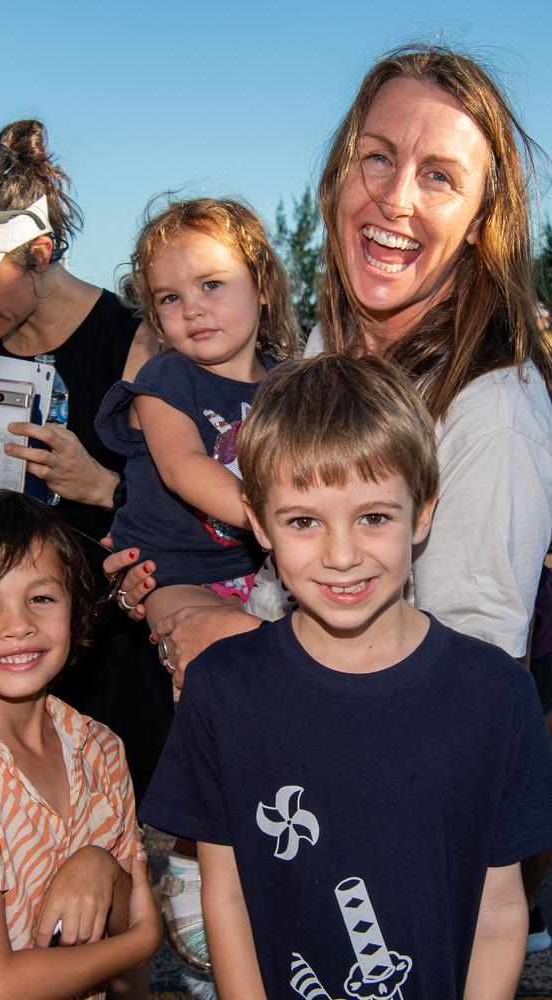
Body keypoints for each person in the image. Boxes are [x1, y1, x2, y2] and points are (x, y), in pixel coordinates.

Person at [111, 43, 552, 948]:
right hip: (276, 814)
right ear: (338, 172)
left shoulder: (491, 410)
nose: (395, 198)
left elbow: (466, 695)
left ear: (479, 221)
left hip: (374, 872)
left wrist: (239, 645)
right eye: (378, 157)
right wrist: (170, 599)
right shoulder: (319, 352)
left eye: (439, 176)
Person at [139, 353, 552, 999]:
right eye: (304, 520)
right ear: (257, 521)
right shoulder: (223, 690)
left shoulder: (496, 696)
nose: (341, 555)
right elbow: (227, 895)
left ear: (422, 514)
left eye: (374, 517)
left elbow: (500, 912)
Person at [0, 119, 173, 801]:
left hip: (117, 656)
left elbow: (192, 526)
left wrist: (103, 485)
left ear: (39, 251)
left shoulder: (136, 347)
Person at [0, 490, 161, 1000]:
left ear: (77, 609)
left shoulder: (101, 749)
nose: (18, 625)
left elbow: (128, 975)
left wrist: (103, 867)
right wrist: (143, 942)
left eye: (41, 598)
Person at [95, 197, 299, 631]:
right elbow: (183, 466)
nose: (191, 308)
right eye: (170, 297)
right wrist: (277, 519)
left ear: (261, 285)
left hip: (270, 562)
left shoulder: (291, 384)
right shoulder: (162, 380)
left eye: (211, 284)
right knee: (212, 641)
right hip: (174, 570)